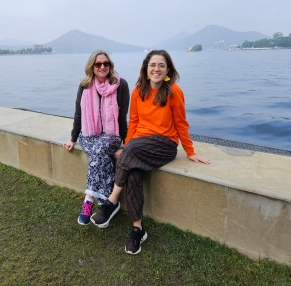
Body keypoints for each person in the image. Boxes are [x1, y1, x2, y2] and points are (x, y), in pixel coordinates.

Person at [91, 50, 210, 254]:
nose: (156, 69)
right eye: (152, 65)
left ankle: (111, 202)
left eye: (161, 65)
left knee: (131, 151)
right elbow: (134, 122)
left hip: (164, 145)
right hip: (140, 144)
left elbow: (181, 123)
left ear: (167, 70)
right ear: (146, 69)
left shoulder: (174, 92)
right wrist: (127, 146)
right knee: (134, 172)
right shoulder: (138, 91)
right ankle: (138, 229)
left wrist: (190, 151)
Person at [63, 50, 129, 226]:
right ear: (92, 66)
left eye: (105, 63)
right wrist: (73, 138)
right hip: (89, 135)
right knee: (99, 154)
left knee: (99, 150)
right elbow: (79, 114)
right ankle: (105, 202)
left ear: (110, 65)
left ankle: (89, 199)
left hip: (111, 136)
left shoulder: (120, 85)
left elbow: (122, 119)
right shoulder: (85, 85)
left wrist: (126, 145)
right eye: (98, 64)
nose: (102, 67)